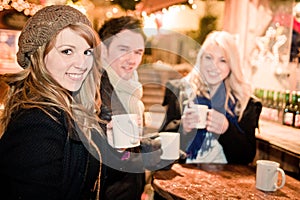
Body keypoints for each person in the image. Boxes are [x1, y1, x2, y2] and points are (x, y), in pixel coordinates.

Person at [0, 5, 104, 199]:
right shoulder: (38, 122)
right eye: (67, 51)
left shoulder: (65, 107)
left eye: (87, 52)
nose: (82, 64)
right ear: (38, 56)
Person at [160, 31, 262, 165]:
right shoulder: (181, 91)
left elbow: (246, 157)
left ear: (232, 65)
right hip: (184, 177)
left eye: (223, 60)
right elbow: (161, 143)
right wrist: (183, 128)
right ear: (200, 59)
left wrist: (226, 130)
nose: (214, 65)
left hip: (225, 180)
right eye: (208, 57)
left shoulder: (244, 103)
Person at [97, 16, 164, 200]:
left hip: (127, 187)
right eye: (123, 49)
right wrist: (154, 153)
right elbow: (106, 154)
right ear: (104, 50)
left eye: (138, 51)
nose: (132, 59)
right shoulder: (97, 90)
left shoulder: (131, 86)